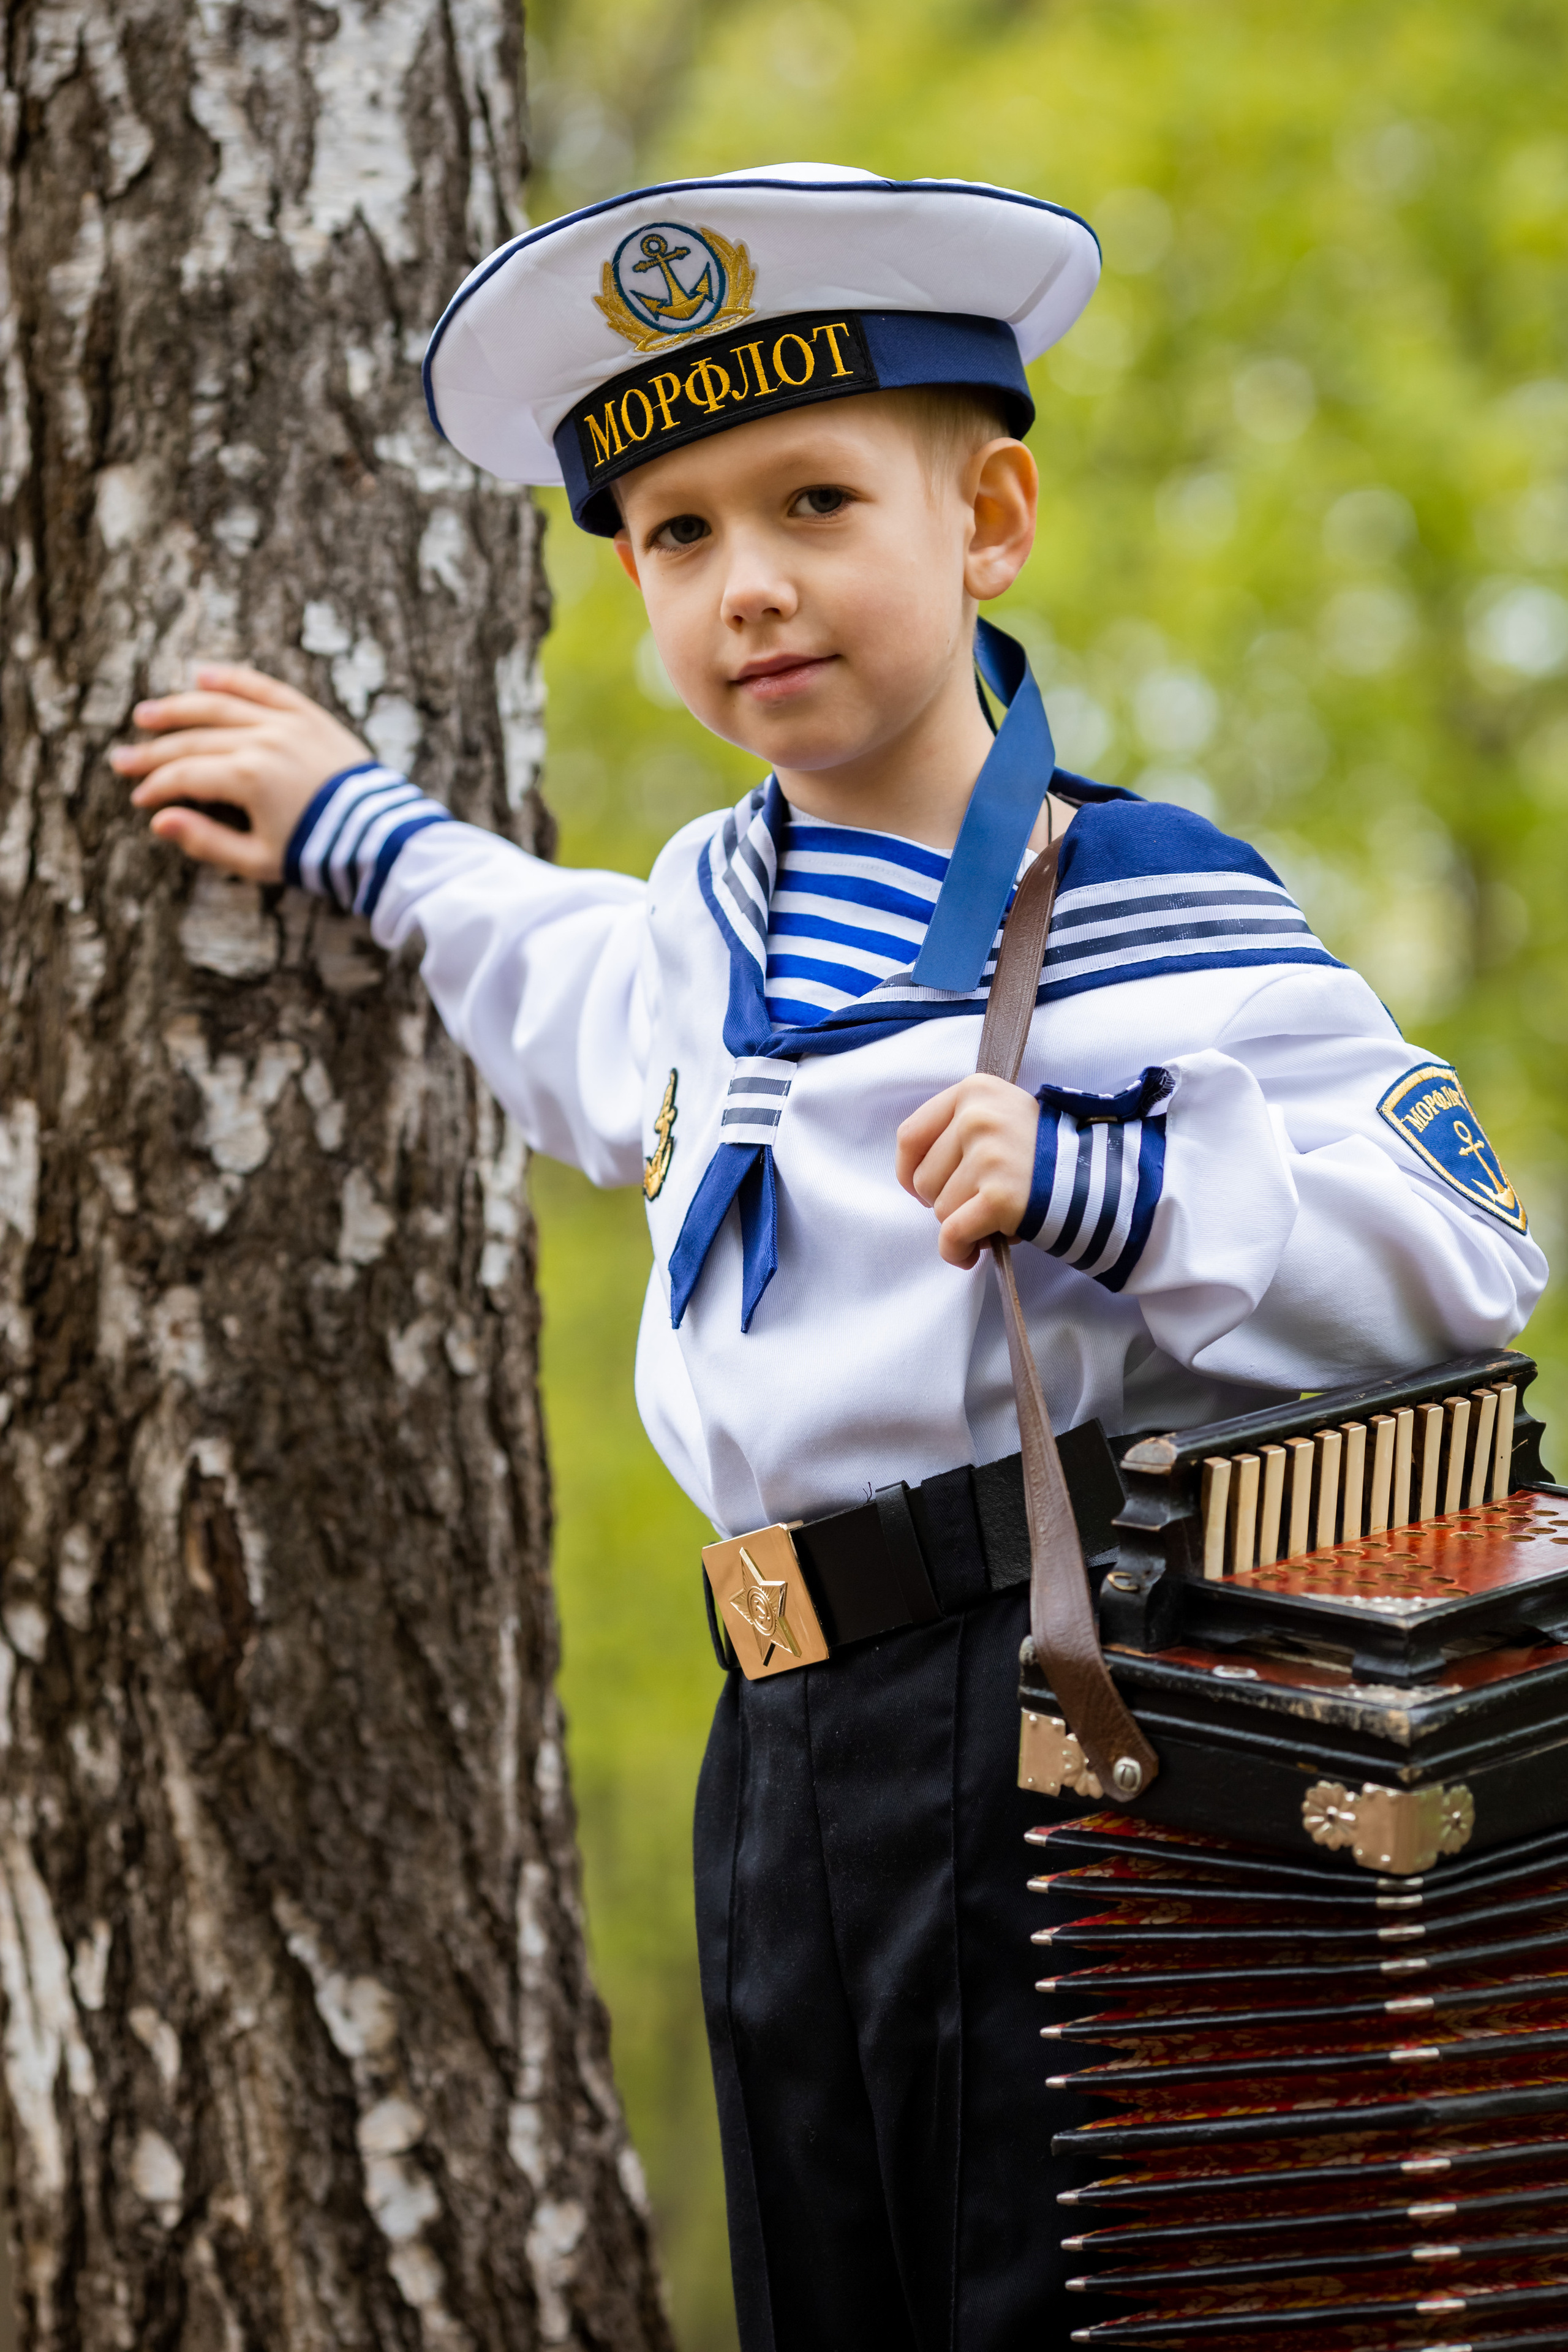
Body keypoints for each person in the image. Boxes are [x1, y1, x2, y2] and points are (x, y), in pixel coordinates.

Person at [114, 164, 1546, 2349]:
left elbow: (1462, 1249)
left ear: (987, 526)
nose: (750, 588)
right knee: (833, 2282)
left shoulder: (1144, 902)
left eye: (813, 504)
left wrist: (1112, 1180)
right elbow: (554, 951)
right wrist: (355, 823)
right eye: (680, 536)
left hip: (1068, 1693)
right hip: (780, 1738)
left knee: (1076, 2288)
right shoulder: (708, 916)